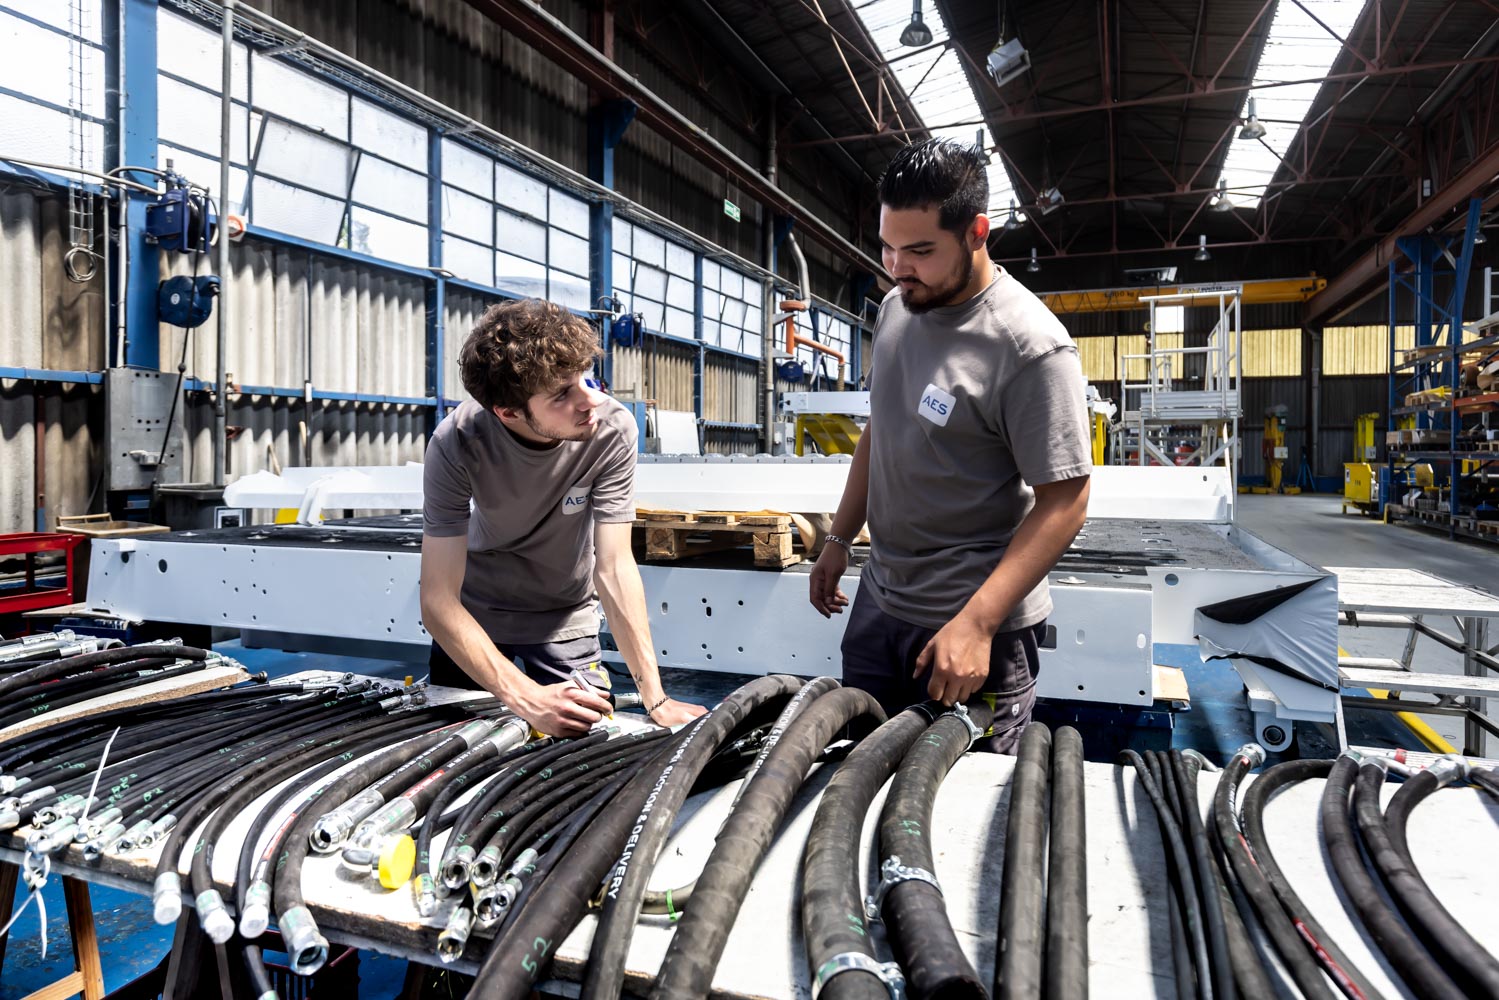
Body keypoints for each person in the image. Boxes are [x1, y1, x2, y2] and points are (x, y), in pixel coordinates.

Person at [808, 138, 1092, 753]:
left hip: (968, 623)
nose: (897, 267)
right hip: (881, 603)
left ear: (976, 232)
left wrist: (979, 622)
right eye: (887, 246)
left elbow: (1065, 501)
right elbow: (882, 429)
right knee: (853, 776)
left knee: (956, 805)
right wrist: (838, 537)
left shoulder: (1028, 346)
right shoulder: (896, 310)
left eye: (919, 251)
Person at [420, 298, 705, 736]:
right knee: (452, 742)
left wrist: (656, 696)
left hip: (564, 613)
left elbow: (612, 565)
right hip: (475, 616)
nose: (590, 399)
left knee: (585, 733)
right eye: (562, 394)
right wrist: (523, 695)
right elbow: (438, 599)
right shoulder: (456, 442)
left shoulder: (611, 430)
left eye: (585, 379)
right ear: (509, 413)